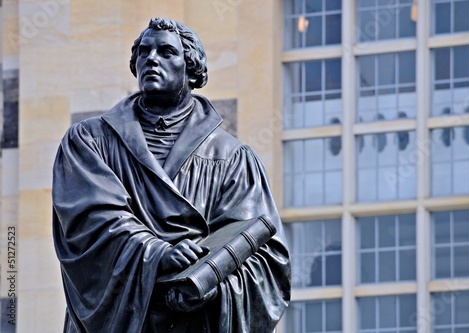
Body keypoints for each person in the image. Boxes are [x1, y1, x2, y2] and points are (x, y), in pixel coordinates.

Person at [52, 18, 291, 332]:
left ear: (191, 69)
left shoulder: (233, 158)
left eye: (166, 52)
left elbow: (267, 258)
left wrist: (210, 284)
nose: (151, 58)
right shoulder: (89, 141)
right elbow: (92, 221)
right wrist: (156, 254)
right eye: (144, 51)